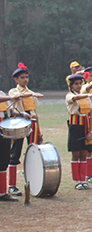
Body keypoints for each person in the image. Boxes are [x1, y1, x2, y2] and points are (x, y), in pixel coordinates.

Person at [7, 63, 44, 196]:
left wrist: (39, 131)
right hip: (19, 123)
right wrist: (32, 93)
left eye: (27, 77)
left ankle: (34, 182)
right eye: (22, 77)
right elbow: (17, 96)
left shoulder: (30, 93)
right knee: (15, 153)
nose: (25, 80)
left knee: (34, 153)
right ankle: (12, 185)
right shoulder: (14, 91)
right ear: (16, 79)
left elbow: (34, 112)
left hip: (32, 123)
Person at [0, 90, 41, 201]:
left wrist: (21, 114)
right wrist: (11, 97)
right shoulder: (5, 96)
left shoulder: (2, 93)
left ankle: (2, 193)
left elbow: (10, 111)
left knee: (3, 161)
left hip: (3, 130)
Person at [66, 74, 92, 190]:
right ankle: (76, 181)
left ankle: (83, 180)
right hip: (75, 126)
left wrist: (91, 131)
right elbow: (74, 99)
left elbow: (91, 114)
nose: (79, 86)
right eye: (76, 84)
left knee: (84, 153)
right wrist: (86, 95)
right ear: (71, 86)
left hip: (86, 125)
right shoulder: (70, 95)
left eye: (80, 83)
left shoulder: (86, 97)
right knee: (76, 154)